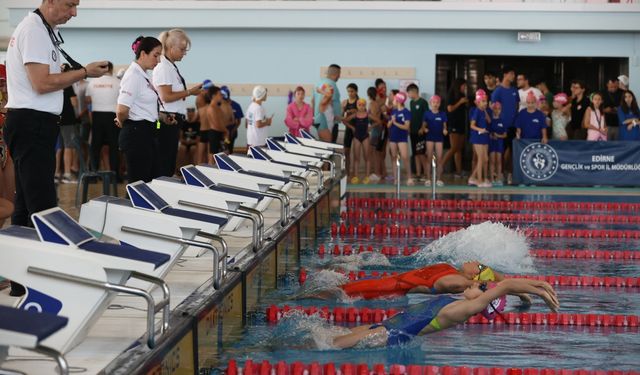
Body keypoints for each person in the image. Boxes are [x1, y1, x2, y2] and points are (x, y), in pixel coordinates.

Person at [5, 0, 108, 296]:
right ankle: (46, 284)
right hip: (31, 123)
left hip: (33, 123)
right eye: (69, 4)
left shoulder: (42, 30)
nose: (74, 12)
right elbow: (41, 83)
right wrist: (83, 72)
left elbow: (41, 78)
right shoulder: (34, 30)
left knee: (25, 205)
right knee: (43, 206)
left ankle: (21, 282)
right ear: (49, 0)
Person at [331, 278, 559, 348]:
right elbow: (504, 284)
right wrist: (538, 286)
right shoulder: (458, 300)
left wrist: (541, 290)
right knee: (327, 339)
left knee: (327, 346)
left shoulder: (465, 309)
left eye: (481, 287)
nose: (475, 283)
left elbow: (506, 286)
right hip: (381, 328)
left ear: (483, 299)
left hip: (386, 335)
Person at [116, 36, 173, 183]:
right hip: (136, 134)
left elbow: (143, 107)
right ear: (143, 54)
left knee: (150, 180)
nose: (158, 60)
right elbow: (122, 110)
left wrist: (161, 117)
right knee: (139, 184)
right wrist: (123, 123)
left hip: (147, 132)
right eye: (155, 55)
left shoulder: (143, 76)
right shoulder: (133, 76)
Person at [154, 29, 202, 178]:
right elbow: (166, 97)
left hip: (172, 119)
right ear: (170, 47)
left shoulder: (170, 67)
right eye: (182, 49)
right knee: (164, 160)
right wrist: (190, 92)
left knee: (169, 159)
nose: (184, 53)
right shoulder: (163, 68)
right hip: (166, 119)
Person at [86, 61, 121, 177]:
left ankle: (93, 174)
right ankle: (115, 175)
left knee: (95, 146)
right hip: (112, 116)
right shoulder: (117, 82)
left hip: (97, 115)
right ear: (111, 69)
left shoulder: (92, 82)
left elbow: (87, 101)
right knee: (114, 146)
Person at [490, 67, 519, 184]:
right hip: (501, 126)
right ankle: (499, 175)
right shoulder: (498, 91)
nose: (514, 76)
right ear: (505, 75)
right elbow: (493, 109)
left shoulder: (514, 90)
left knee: (513, 152)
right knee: (500, 152)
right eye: (512, 73)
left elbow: (516, 106)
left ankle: (510, 174)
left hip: (512, 126)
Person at [56, 64, 80, 183]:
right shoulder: (67, 83)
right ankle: (67, 174)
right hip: (68, 120)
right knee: (68, 146)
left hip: (56, 118)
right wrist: (78, 114)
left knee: (58, 147)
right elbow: (74, 102)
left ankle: (56, 174)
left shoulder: (55, 82)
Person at [441, 78, 468, 179]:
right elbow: (450, 109)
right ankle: (441, 166)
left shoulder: (462, 95)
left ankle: (459, 171)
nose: (464, 88)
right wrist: (460, 102)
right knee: (454, 147)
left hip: (461, 124)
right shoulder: (451, 95)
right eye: (463, 86)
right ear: (458, 85)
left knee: (459, 149)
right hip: (453, 124)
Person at [421, 95, 447, 187]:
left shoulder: (442, 114)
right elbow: (423, 125)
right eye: (434, 102)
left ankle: (439, 179)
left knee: (439, 158)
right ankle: (428, 178)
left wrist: (445, 130)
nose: (435, 104)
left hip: (439, 138)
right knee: (429, 158)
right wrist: (424, 129)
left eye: (437, 103)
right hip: (430, 138)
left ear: (439, 104)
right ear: (430, 103)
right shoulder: (427, 114)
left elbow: (444, 125)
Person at [0, 64, 15, 227]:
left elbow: (10, 110)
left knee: (9, 204)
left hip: (6, 149)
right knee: (4, 206)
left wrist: (5, 94)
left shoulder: (4, 68)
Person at [388, 92, 413, 185]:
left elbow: (406, 127)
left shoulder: (406, 112)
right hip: (393, 137)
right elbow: (388, 125)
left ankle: (409, 178)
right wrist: (391, 121)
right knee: (394, 158)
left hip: (402, 138)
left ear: (398, 101)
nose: (393, 101)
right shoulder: (393, 112)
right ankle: (395, 178)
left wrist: (395, 123)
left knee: (405, 157)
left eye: (394, 99)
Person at [468, 89, 492, 188]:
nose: (485, 103)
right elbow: (472, 125)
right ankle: (478, 180)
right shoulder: (477, 111)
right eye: (483, 101)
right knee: (481, 159)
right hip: (477, 137)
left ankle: (472, 178)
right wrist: (481, 129)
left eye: (486, 101)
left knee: (485, 159)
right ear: (477, 102)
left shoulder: (483, 111)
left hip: (483, 137)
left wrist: (485, 110)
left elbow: (489, 121)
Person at [313, 64, 342, 142]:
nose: (339, 76)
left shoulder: (318, 84)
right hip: (327, 121)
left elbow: (312, 101)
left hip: (318, 120)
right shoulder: (332, 85)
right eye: (339, 74)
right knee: (328, 147)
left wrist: (313, 117)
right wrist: (338, 118)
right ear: (337, 74)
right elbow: (335, 103)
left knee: (323, 146)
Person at [347, 98, 371, 184]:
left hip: (365, 137)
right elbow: (345, 121)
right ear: (357, 106)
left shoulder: (368, 115)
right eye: (359, 105)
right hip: (356, 137)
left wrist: (371, 127)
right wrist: (352, 127)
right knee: (356, 158)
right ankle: (356, 176)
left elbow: (378, 121)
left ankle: (367, 176)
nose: (361, 107)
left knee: (367, 157)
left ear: (365, 106)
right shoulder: (355, 115)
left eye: (363, 105)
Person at [407, 84, 428, 182]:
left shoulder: (423, 102)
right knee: (415, 153)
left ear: (414, 91)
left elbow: (426, 116)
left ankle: (426, 174)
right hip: (413, 131)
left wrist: (422, 127)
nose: (408, 94)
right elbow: (411, 116)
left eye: (409, 92)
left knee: (421, 153)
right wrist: (409, 128)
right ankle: (418, 173)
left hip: (420, 132)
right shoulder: (411, 103)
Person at [206, 86, 229, 162]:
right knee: (213, 158)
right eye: (219, 94)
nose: (221, 96)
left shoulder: (218, 107)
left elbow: (222, 121)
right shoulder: (211, 108)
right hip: (215, 134)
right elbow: (216, 124)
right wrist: (226, 131)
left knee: (224, 155)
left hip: (221, 133)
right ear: (213, 96)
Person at [366, 87, 383, 183]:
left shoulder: (373, 104)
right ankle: (377, 173)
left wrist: (371, 127)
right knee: (375, 153)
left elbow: (378, 120)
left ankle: (377, 174)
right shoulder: (376, 104)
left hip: (376, 131)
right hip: (376, 130)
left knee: (374, 153)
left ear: (368, 94)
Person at [341, 83, 358, 176]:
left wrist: (355, 111)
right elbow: (342, 119)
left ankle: (354, 173)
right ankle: (347, 171)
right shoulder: (344, 103)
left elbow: (362, 116)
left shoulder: (359, 102)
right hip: (349, 129)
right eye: (348, 91)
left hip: (358, 130)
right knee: (346, 152)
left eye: (352, 91)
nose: (350, 93)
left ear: (356, 91)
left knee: (356, 152)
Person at [488, 102, 506, 186]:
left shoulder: (502, 121)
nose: (497, 110)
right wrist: (491, 135)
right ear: (493, 109)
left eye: (499, 109)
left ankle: (498, 178)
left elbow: (505, 135)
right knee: (492, 161)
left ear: (501, 110)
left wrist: (498, 135)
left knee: (498, 161)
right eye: (495, 108)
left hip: (499, 143)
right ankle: (492, 178)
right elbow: (488, 131)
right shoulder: (490, 121)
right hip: (492, 143)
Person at [222, 86, 243, 154]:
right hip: (221, 131)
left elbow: (238, 121)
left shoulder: (236, 105)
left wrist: (233, 130)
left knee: (229, 148)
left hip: (232, 132)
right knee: (221, 149)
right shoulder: (218, 105)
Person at [196, 91, 211, 164]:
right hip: (211, 132)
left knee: (200, 156)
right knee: (209, 156)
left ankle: (198, 171)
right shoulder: (213, 110)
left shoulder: (200, 110)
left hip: (202, 132)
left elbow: (194, 120)